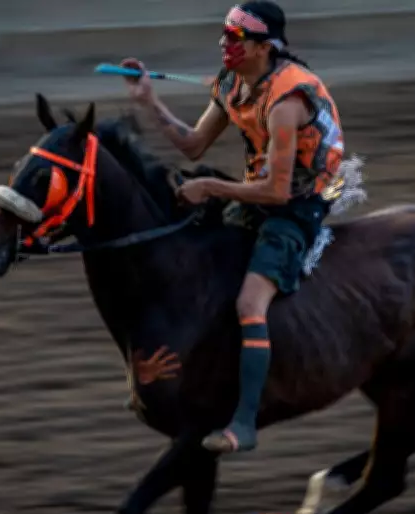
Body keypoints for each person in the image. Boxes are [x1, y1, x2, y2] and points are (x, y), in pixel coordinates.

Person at [120, 1, 344, 454]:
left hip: (298, 203)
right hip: (260, 189)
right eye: (225, 33)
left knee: (248, 302)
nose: (225, 43)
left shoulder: (287, 101)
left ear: (264, 48)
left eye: (236, 38)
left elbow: (278, 192)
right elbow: (193, 145)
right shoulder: (233, 83)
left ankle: (244, 422)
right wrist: (149, 100)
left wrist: (209, 188)